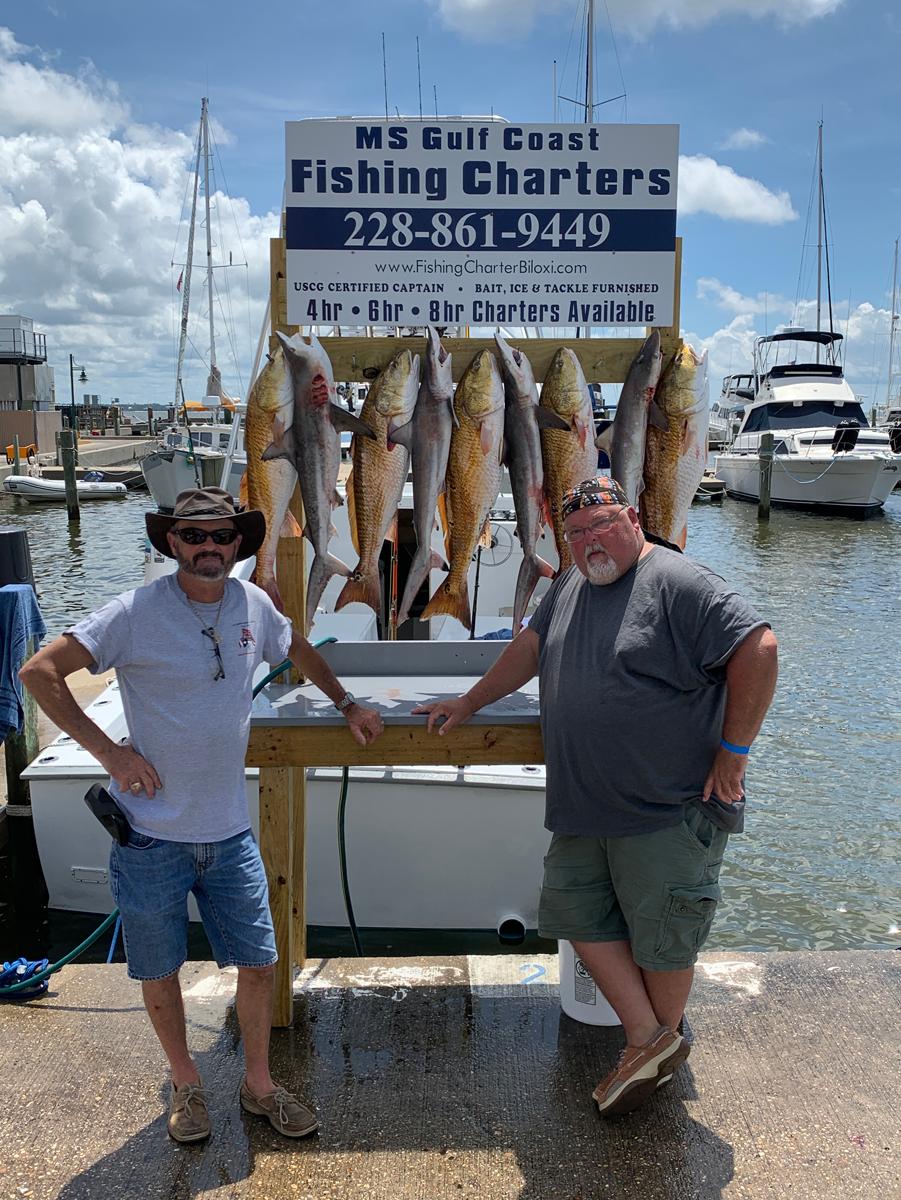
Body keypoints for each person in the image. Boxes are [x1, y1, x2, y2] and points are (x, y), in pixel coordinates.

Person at [20, 487, 384, 1143]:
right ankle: (186, 1084)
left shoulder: (254, 604)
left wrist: (347, 703)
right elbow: (39, 670)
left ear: (237, 543)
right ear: (172, 543)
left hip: (230, 833)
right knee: (158, 971)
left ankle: (258, 1085)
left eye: (219, 536)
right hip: (149, 839)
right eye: (193, 536)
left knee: (261, 964)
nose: (207, 547)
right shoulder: (132, 612)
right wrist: (109, 753)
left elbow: (295, 646)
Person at [413, 475, 777, 1117]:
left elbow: (758, 647)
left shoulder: (678, 581)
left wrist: (735, 750)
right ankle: (652, 1042)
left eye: (601, 525)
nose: (587, 541)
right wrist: (471, 700)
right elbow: (529, 646)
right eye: (575, 533)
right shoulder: (571, 583)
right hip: (584, 809)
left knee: (663, 938)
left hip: (666, 809)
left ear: (633, 519)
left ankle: (649, 1056)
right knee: (572, 911)